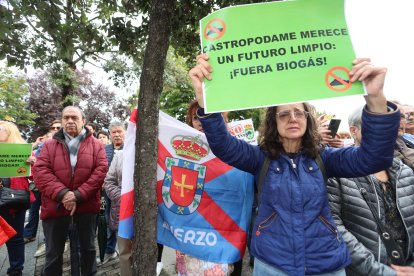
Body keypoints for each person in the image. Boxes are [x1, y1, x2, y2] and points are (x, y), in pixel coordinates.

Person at [189, 54, 400, 275]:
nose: (292, 118)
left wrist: (376, 98)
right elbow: (223, 145)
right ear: (273, 122)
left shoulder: (325, 158)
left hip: (326, 263)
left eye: (299, 113)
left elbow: (374, 158)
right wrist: (206, 99)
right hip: (272, 264)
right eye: (284, 114)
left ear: (308, 120)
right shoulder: (259, 158)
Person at [327, 106, 414, 275]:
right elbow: (335, 229)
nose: (384, 132)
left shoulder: (405, 173)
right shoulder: (337, 174)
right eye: (374, 126)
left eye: (388, 126)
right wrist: (379, 271)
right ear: (354, 131)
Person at [32, 106, 108, 275]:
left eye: (74, 117)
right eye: (66, 118)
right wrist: (64, 194)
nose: (70, 121)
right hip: (55, 205)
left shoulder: (96, 145)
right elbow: (40, 171)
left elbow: (101, 170)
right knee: (53, 254)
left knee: (88, 250)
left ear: (83, 121)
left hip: (86, 206)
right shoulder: (49, 145)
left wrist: (78, 195)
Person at [0, 121, 35, 276]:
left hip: (14, 201)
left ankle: (16, 269)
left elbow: (36, 177)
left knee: (15, 236)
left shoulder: (23, 151)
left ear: (10, 132)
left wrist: (33, 164)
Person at [99, 121, 126, 265]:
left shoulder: (130, 149)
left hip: (125, 194)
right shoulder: (104, 149)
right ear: (110, 134)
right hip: (107, 193)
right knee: (109, 223)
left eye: (119, 131)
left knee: (124, 223)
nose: (116, 134)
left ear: (125, 132)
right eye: (114, 132)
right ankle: (109, 251)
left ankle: (125, 251)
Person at [23, 131, 55, 244]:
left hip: (49, 186)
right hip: (37, 186)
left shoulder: (56, 149)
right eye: (46, 137)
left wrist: (36, 163)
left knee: (49, 212)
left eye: (50, 137)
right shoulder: (38, 150)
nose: (48, 139)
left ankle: (49, 238)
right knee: (33, 210)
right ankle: (29, 234)